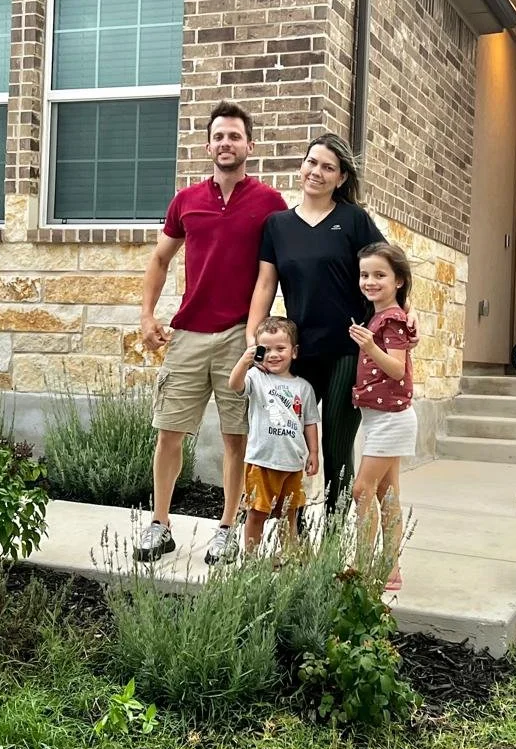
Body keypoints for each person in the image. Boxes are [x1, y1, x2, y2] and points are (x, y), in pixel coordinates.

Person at [138, 101, 287, 563]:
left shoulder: (270, 203)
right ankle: (160, 525)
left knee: (235, 438)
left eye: (235, 136)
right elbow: (160, 259)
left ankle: (226, 527)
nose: (227, 143)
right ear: (208, 145)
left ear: (250, 145)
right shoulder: (187, 200)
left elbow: (281, 270)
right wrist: (147, 316)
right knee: (169, 432)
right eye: (219, 136)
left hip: (239, 340)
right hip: (187, 334)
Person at [246, 134, 394, 513]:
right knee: (289, 442)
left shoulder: (353, 220)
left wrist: (394, 322)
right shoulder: (277, 225)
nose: (317, 171)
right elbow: (265, 283)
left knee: (335, 450)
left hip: (347, 352)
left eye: (328, 167)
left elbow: (389, 269)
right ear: (302, 166)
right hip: (300, 355)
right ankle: (291, 539)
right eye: (312, 162)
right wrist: (253, 338)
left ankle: (333, 542)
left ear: (341, 177)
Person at [349, 241, 417, 592]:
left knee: (362, 489)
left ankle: (362, 564)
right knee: (387, 494)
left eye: (380, 275)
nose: (370, 281)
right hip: (380, 416)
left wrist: (369, 346)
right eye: (365, 274)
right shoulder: (382, 315)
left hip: (392, 417)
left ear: (399, 281)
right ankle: (391, 567)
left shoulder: (392, 320)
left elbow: (396, 369)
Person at [222, 316, 319, 562]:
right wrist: (245, 362)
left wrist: (314, 453)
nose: (273, 354)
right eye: (266, 349)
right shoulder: (257, 378)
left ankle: (287, 554)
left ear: (294, 352)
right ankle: (252, 558)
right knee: (257, 512)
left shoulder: (303, 388)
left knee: (290, 514)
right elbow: (234, 385)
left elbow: (309, 422)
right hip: (262, 461)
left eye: (281, 348)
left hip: (292, 464)